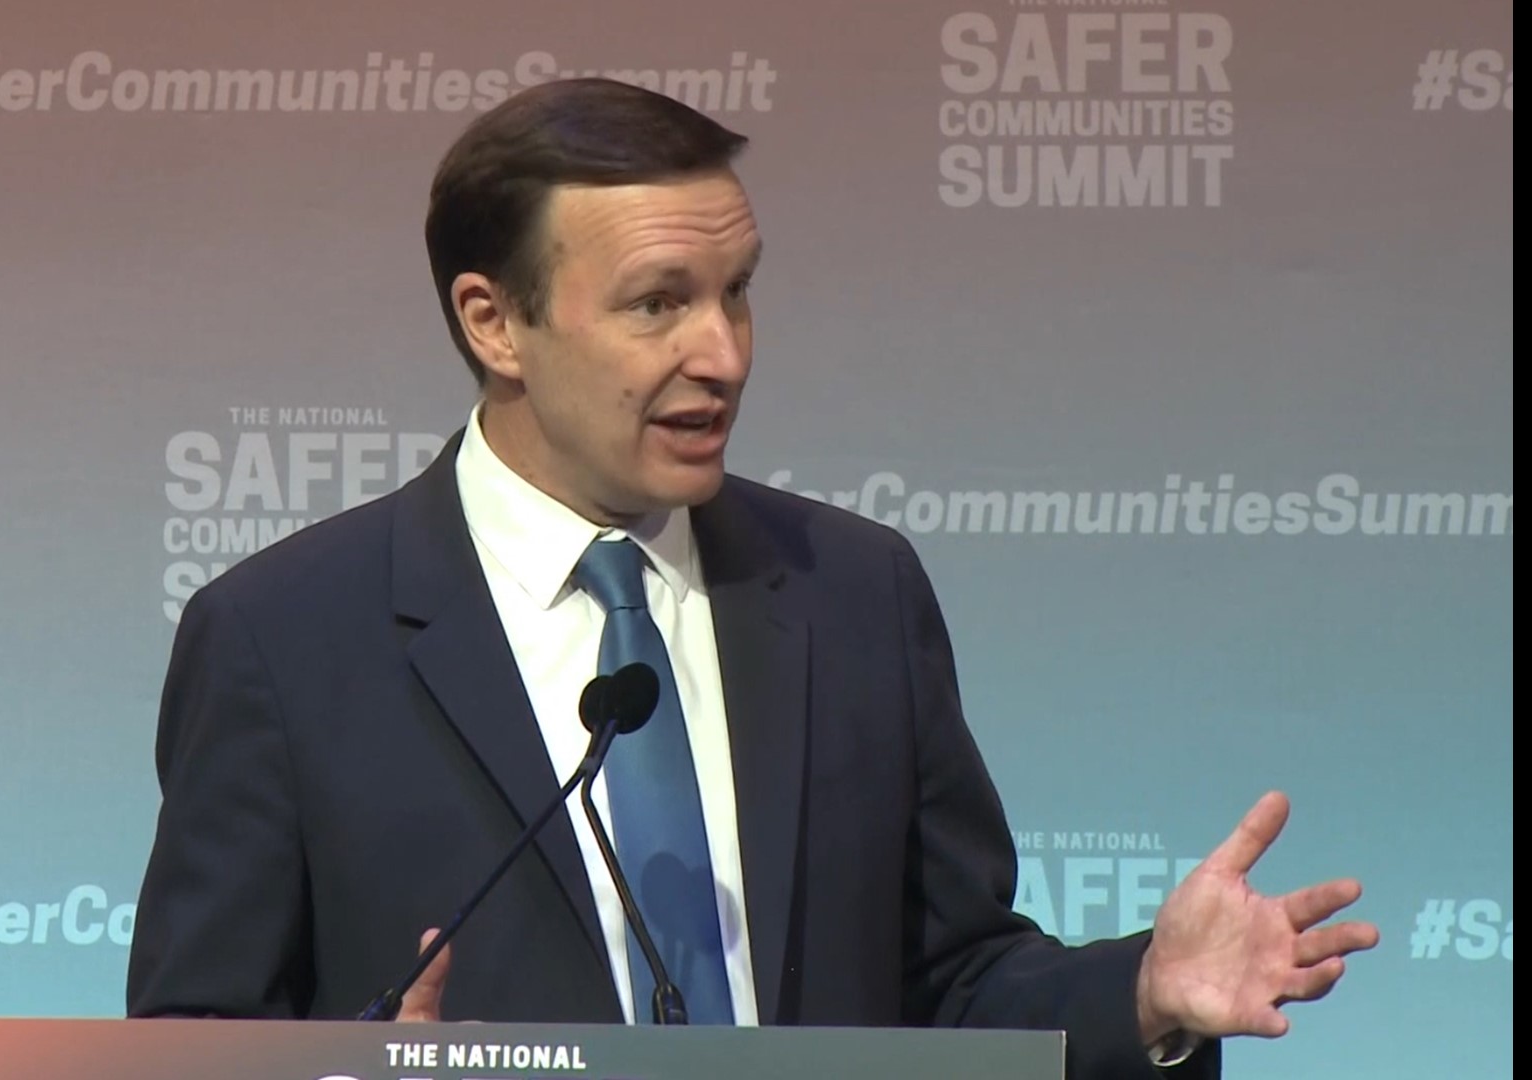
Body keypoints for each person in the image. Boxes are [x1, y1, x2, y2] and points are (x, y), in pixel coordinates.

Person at [125, 78, 1379, 1077]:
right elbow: (190, 1043)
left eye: (736, 295)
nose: (720, 354)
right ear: (493, 323)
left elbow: (948, 985)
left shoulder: (852, 592)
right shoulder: (283, 640)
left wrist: (1144, 997)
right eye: (657, 304)